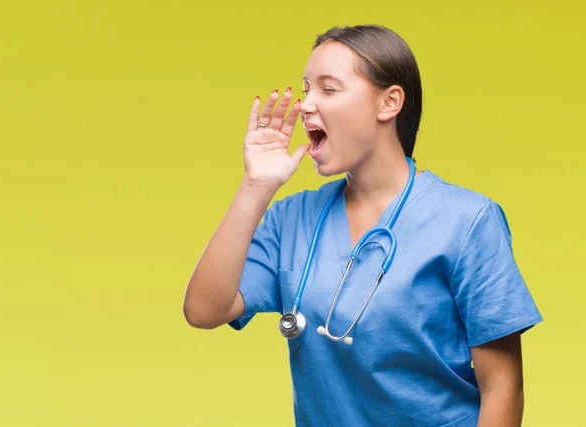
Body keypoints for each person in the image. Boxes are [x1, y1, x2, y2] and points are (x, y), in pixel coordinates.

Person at [183, 24, 542, 427]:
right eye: (305, 90)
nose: (304, 106)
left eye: (328, 89)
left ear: (389, 103)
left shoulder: (468, 221)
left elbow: (503, 388)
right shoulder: (292, 218)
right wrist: (255, 187)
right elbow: (204, 310)